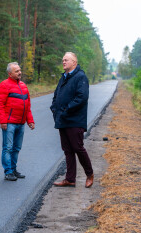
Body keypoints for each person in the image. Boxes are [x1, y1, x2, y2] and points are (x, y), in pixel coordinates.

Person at [50, 52, 94, 188]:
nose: (63, 62)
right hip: (62, 119)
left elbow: (82, 97)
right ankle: (70, 179)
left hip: (75, 120)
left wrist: (66, 109)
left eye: (66, 60)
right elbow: (56, 95)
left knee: (78, 148)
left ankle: (89, 174)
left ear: (74, 62)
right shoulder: (63, 78)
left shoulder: (80, 77)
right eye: (62, 60)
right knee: (67, 150)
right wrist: (54, 109)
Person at [0, 62, 35, 181]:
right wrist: (3, 121)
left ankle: (13, 169)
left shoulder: (23, 86)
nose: (19, 72)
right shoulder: (4, 85)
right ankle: (8, 172)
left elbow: (27, 106)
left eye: (19, 70)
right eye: (16, 71)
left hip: (21, 123)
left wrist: (30, 121)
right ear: (10, 73)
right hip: (9, 123)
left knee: (16, 148)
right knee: (8, 148)